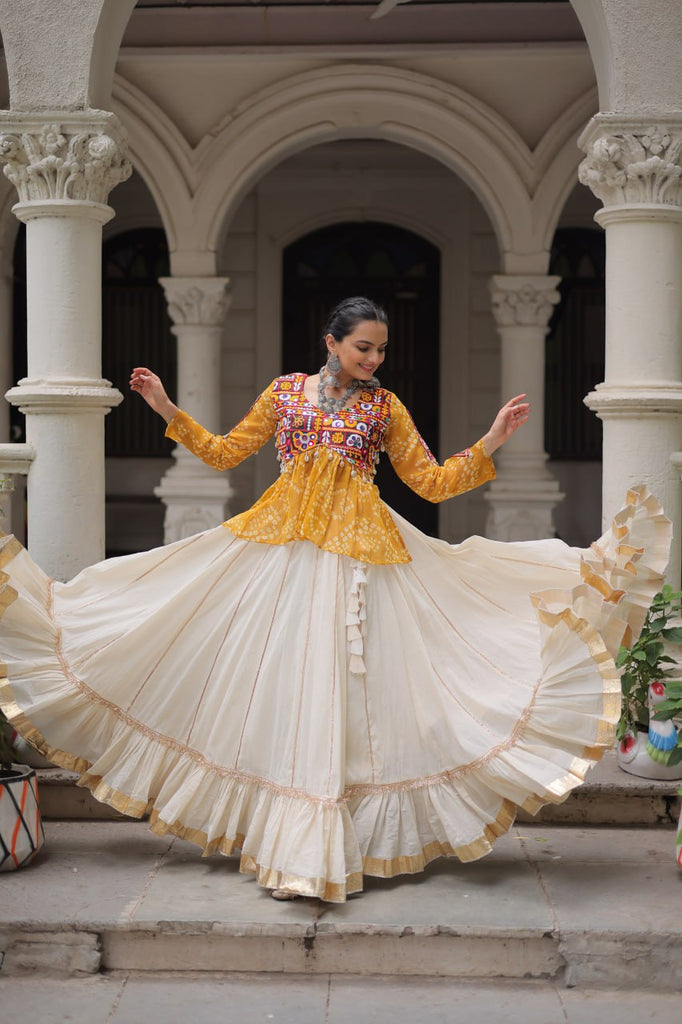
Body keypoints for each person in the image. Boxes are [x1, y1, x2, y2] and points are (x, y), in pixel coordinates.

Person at [0, 296, 671, 903]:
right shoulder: (285, 394)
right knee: (263, 677)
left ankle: (332, 840)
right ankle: (288, 840)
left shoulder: (384, 408)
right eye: (363, 347)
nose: (374, 359)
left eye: (381, 349)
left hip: (363, 559)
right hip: (280, 551)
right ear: (331, 342)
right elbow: (227, 452)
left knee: (355, 697)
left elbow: (431, 483)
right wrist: (166, 409)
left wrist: (492, 440)